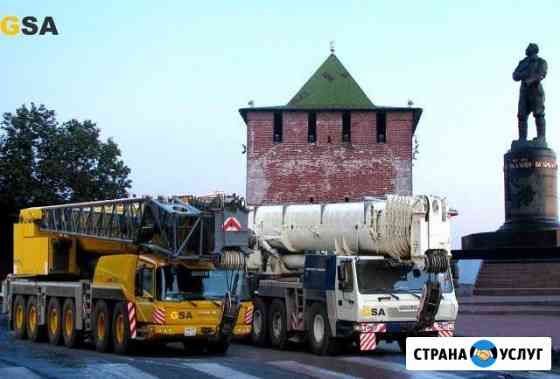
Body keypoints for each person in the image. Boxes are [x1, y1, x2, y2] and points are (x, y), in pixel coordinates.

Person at [513, 43, 548, 141]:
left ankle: (541, 137)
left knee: (539, 113)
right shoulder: (523, 62)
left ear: (534, 50)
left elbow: (542, 74)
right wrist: (525, 74)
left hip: (535, 90)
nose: (526, 49)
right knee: (521, 115)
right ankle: (522, 139)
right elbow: (515, 75)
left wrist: (530, 80)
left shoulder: (541, 61)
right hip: (524, 91)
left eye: (528, 48)